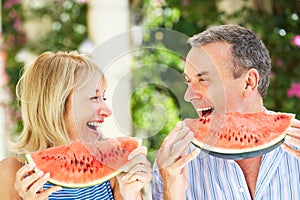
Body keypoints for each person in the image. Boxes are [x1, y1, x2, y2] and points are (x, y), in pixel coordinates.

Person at [152, 24, 300, 200]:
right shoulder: (173, 162)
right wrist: (171, 187)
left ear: (248, 83)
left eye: (204, 79)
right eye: (188, 82)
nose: (188, 95)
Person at [0, 51, 152, 199]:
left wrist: (129, 194)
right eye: (94, 97)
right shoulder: (9, 173)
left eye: (103, 97)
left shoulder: (113, 169)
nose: (107, 111)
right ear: (56, 104)